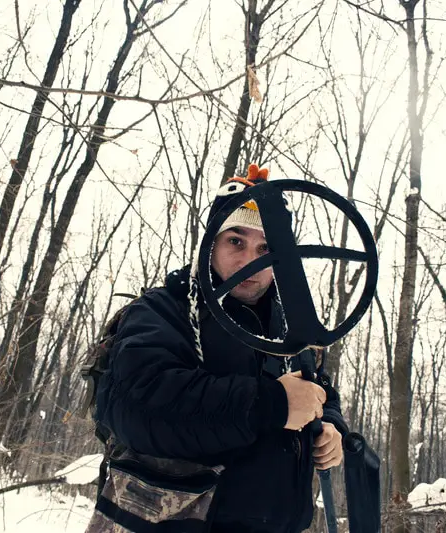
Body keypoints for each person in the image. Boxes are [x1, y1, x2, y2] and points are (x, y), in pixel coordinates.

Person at [91, 164, 345, 533]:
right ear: (210, 244)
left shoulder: (289, 330)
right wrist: (272, 404)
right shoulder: (164, 310)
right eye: (236, 242)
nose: (249, 262)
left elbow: (318, 389)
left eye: (266, 249)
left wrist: (329, 425)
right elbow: (138, 407)